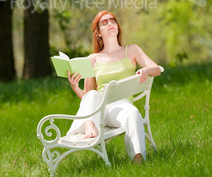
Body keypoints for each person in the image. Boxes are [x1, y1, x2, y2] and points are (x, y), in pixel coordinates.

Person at [67, 10, 162, 164]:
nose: (110, 23)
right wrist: (76, 88)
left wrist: (146, 70)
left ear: (118, 28)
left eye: (113, 21)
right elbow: (89, 97)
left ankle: (138, 158)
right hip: (99, 109)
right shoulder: (92, 59)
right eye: (105, 22)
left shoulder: (131, 50)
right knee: (93, 95)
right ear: (98, 33)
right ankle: (89, 124)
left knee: (133, 113)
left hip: (122, 107)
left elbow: (156, 69)